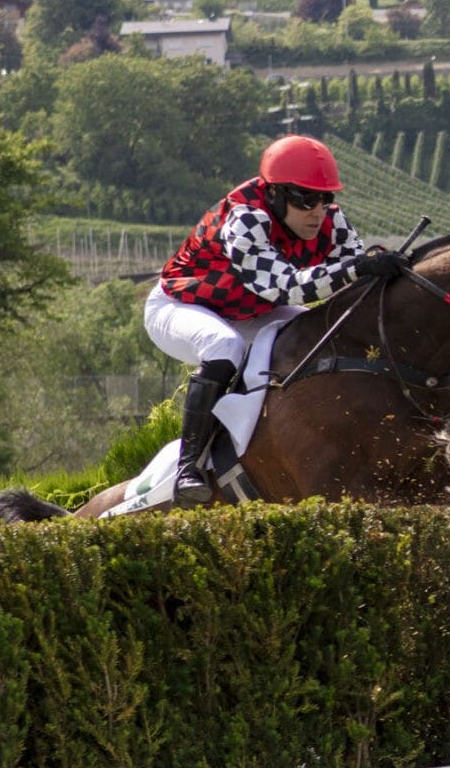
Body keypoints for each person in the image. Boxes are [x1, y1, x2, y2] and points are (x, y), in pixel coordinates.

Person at [145, 135, 409, 507]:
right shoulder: (245, 219)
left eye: (325, 198)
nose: (317, 211)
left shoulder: (331, 220)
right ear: (274, 194)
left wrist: (384, 266)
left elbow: (355, 274)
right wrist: (358, 267)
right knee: (225, 347)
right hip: (180, 306)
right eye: (305, 199)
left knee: (312, 331)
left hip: (250, 308)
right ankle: (189, 466)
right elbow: (286, 287)